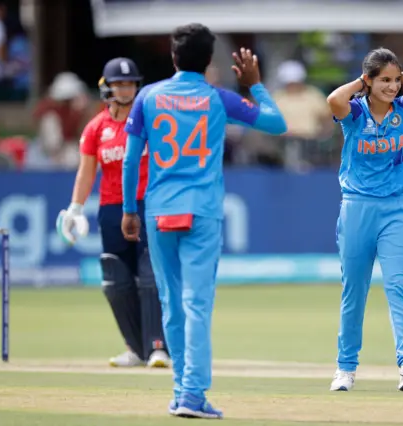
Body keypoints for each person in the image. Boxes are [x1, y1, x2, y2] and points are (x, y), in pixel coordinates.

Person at [121, 23, 287, 419]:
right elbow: (277, 124)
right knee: (196, 304)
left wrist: (129, 210)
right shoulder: (218, 98)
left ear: (173, 56)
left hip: (159, 210)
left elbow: (131, 160)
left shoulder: (148, 96)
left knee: (171, 304)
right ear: (209, 60)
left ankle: (182, 391)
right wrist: (256, 85)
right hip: (202, 212)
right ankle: (192, 395)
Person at [326, 48, 403, 393]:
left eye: (396, 80)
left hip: (396, 209)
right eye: (386, 80)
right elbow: (333, 99)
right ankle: (345, 368)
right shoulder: (354, 112)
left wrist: (400, 76)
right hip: (356, 210)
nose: (393, 87)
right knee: (355, 292)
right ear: (368, 80)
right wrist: (366, 83)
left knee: (398, 285)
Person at [56, 57, 170, 369]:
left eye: (130, 83)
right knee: (117, 279)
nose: (125, 89)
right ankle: (134, 348)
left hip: (149, 205)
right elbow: (86, 171)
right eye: (119, 83)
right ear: (107, 87)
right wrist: (75, 208)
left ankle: (158, 347)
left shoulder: (150, 121)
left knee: (150, 275)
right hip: (110, 209)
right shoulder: (96, 128)